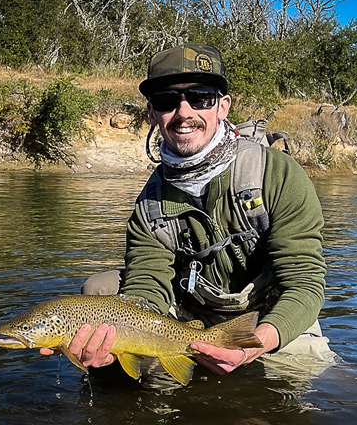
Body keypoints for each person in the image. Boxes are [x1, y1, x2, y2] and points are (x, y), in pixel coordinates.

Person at [41, 43, 334, 377]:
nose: (184, 112)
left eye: (201, 98)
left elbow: (305, 283)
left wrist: (260, 340)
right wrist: (112, 348)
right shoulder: (149, 205)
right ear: (152, 112)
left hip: (267, 313)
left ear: (223, 106)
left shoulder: (277, 174)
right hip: (186, 313)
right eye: (168, 101)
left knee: (320, 391)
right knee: (98, 291)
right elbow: (145, 291)